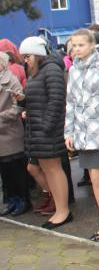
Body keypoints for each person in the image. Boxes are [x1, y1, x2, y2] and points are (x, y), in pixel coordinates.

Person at [64, 29, 99, 242]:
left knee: (97, 179)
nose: (76, 49)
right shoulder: (75, 69)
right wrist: (68, 131)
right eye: (73, 46)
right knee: (95, 180)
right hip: (82, 133)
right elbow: (71, 103)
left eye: (80, 45)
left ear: (91, 45)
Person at [19, 36, 72, 229]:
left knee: (54, 170)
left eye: (28, 56)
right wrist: (23, 101)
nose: (26, 60)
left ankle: (63, 211)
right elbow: (40, 98)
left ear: (37, 54)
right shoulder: (38, 71)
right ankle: (59, 209)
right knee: (49, 171)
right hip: (40, 131)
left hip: (48, 131)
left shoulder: (50, 69)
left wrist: (46, 126)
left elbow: (57, 100)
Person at [0, 52, 29, 216]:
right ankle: (11, 199)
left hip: (10, 131)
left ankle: (23, 200)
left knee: (16, 169)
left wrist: (2, 117)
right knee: (5, 172)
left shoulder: (11, 79)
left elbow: (19, 105)